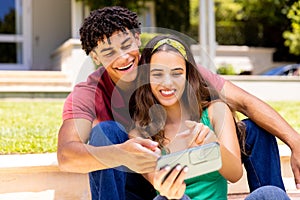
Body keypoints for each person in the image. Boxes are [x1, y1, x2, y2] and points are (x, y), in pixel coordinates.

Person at [56, 6, 300, 200]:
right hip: (143, 179)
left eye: (126, 45)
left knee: (255, 130)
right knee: (105, 132)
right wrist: (121, 154)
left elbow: (245, 103)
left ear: (137, 38)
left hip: (189, 161)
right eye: (108, 52)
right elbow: (67, 155)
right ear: (95, 57)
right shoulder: (89, 92)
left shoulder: (168, 66)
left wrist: (295, 141)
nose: (122, 57)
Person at [128, 34, 244, 199]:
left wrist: (212, 143)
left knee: (270, 194)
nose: (167, 83)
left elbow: (235, 174)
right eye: (157, 74)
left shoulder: (216, 112)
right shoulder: (140, 133)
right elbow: (158, 184)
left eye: (177, 73)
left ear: (188, 75)